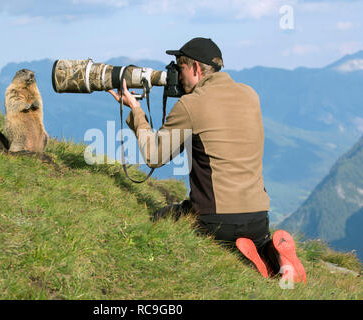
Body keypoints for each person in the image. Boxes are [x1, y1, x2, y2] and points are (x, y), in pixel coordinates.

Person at [108, 37, 306, 283]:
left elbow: (154, 156)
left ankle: (245, 258)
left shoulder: (191, 105)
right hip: (259, 217)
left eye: (180, 68)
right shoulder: (250, 95)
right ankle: (270, 253)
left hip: (216, 220)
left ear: (196, 68)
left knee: (164, 217)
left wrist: (135, 110)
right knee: (251, 237)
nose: (177, 76)